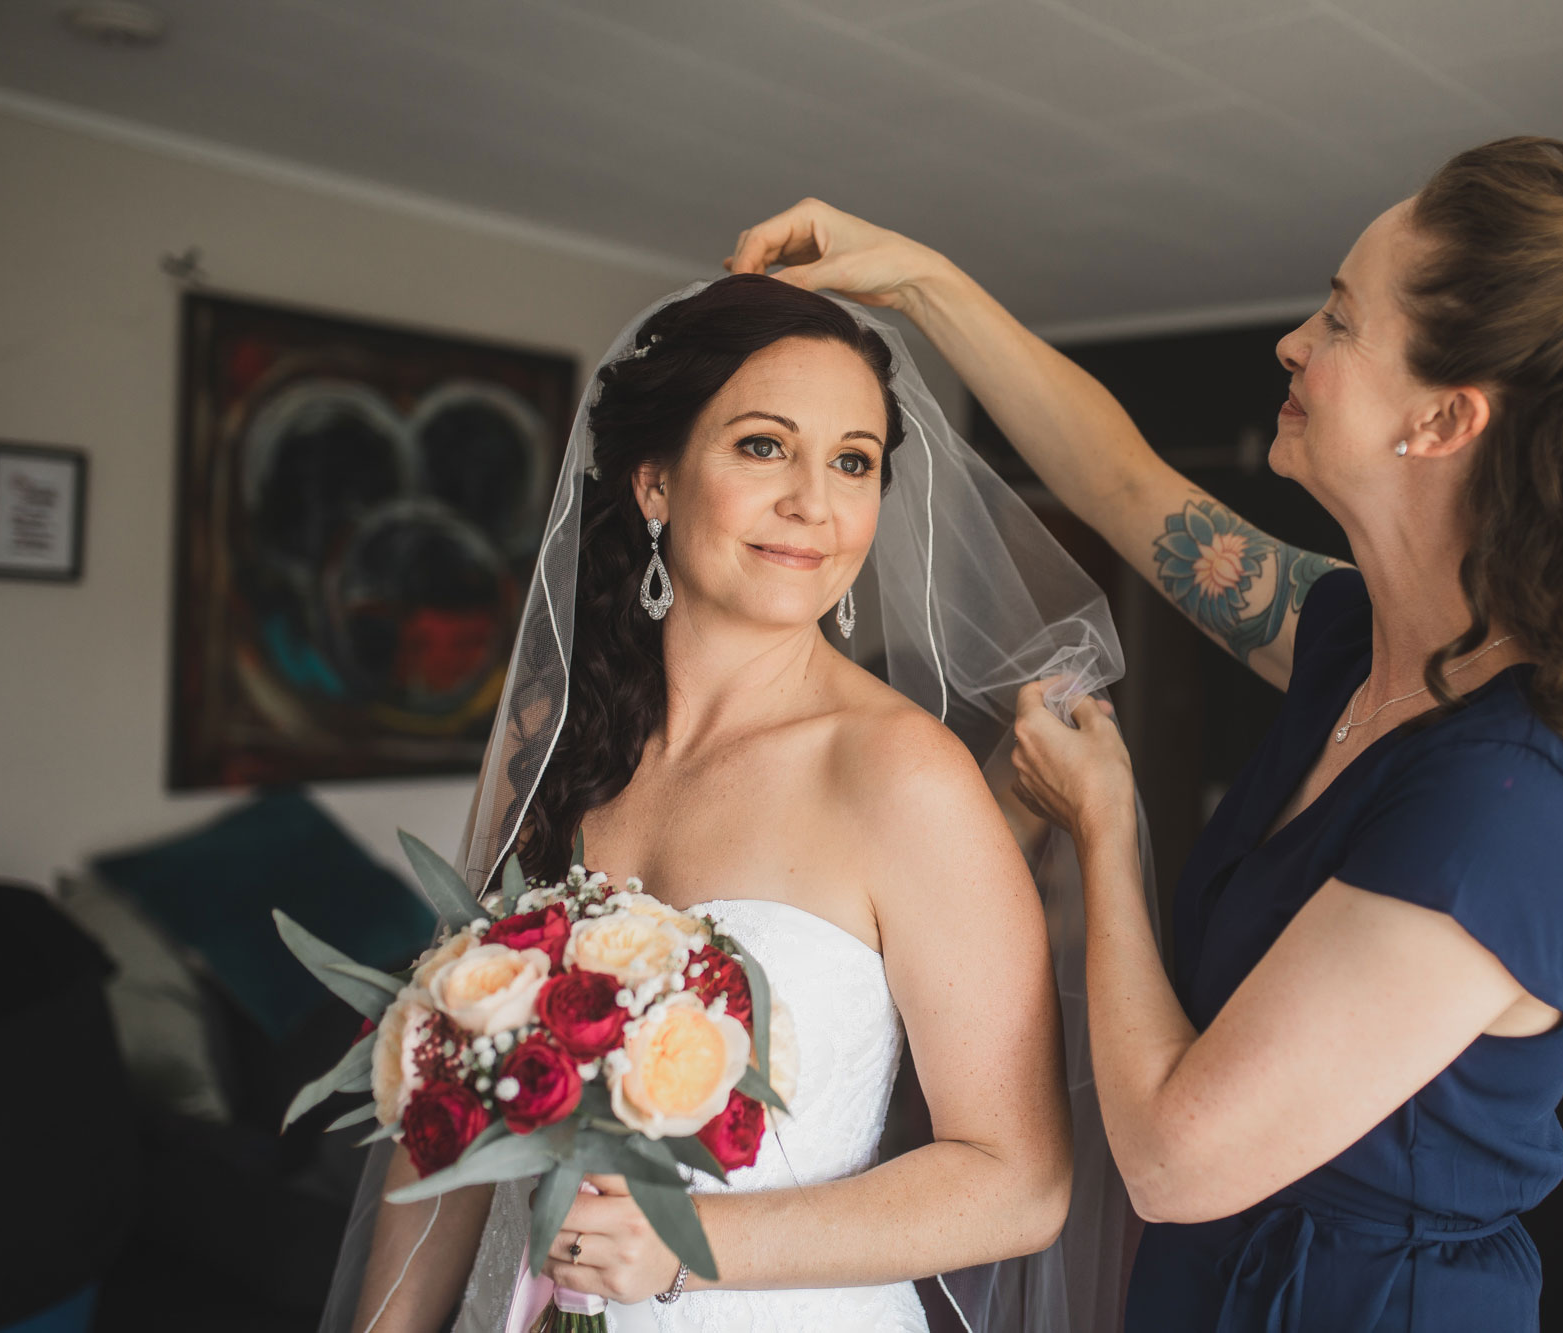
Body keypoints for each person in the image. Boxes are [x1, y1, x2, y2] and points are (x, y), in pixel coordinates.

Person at [725, 136, 1563, 1330]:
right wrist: (918, 279)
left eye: (1337, 320)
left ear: (1442, 417)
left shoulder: (1508, 802)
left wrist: (1105, 825)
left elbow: (1176, 1160)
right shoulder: (1353, 642)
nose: (1293, 342)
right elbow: (1124, 486)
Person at [322, 274, 1133, 1333]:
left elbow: (1017, 1180)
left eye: (852, 461)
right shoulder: (550, 745)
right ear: (654, 482)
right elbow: (455, 1114)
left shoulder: (901, 776)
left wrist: (684, 1249)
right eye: (763, 446)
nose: (813, 500)